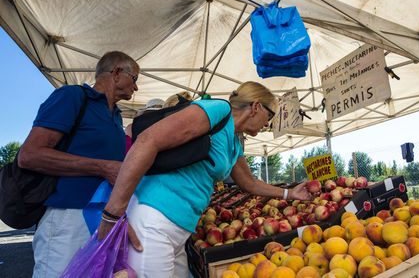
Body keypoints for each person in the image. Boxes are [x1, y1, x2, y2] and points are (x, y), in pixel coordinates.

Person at [97, 81, 313, 277]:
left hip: (180, 228)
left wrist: (289, 193)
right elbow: (147, 140)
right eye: (270, 115)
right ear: (256, 107)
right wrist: (112, 213)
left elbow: (248, 182)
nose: (268, 124)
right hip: (155, 219)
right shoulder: (218, 110)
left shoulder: (235, 142)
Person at [17, 51, 140, 278]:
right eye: (135, 79)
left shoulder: (117, 116)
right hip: (67, 219)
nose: (136, 88)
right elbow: (29, 155)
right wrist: (103, 168)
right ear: (116, 73)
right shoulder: (72, 96)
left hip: (100, 220)